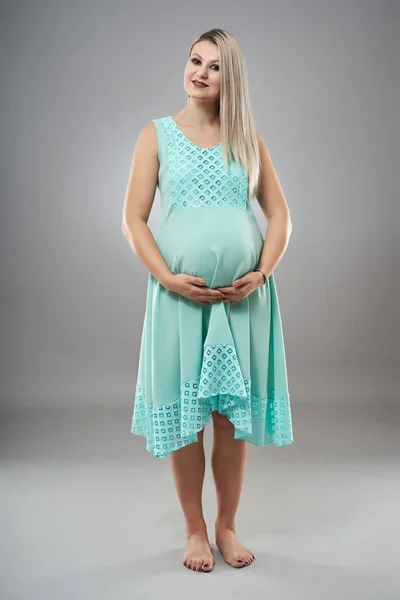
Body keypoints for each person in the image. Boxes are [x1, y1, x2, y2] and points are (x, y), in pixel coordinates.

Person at [122, 28, 294, 573]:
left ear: (231, 77)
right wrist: (168, 279)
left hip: (243, 301)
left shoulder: (247, 139)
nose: (199, 72)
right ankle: (195, 529)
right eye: (195, 60)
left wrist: (262, 273)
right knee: (184, 417)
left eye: (214, 66)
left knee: (229, 417)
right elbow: (133, 218)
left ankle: (226, 525)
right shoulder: (157, 135)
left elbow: (281, 217)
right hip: (180, 301)